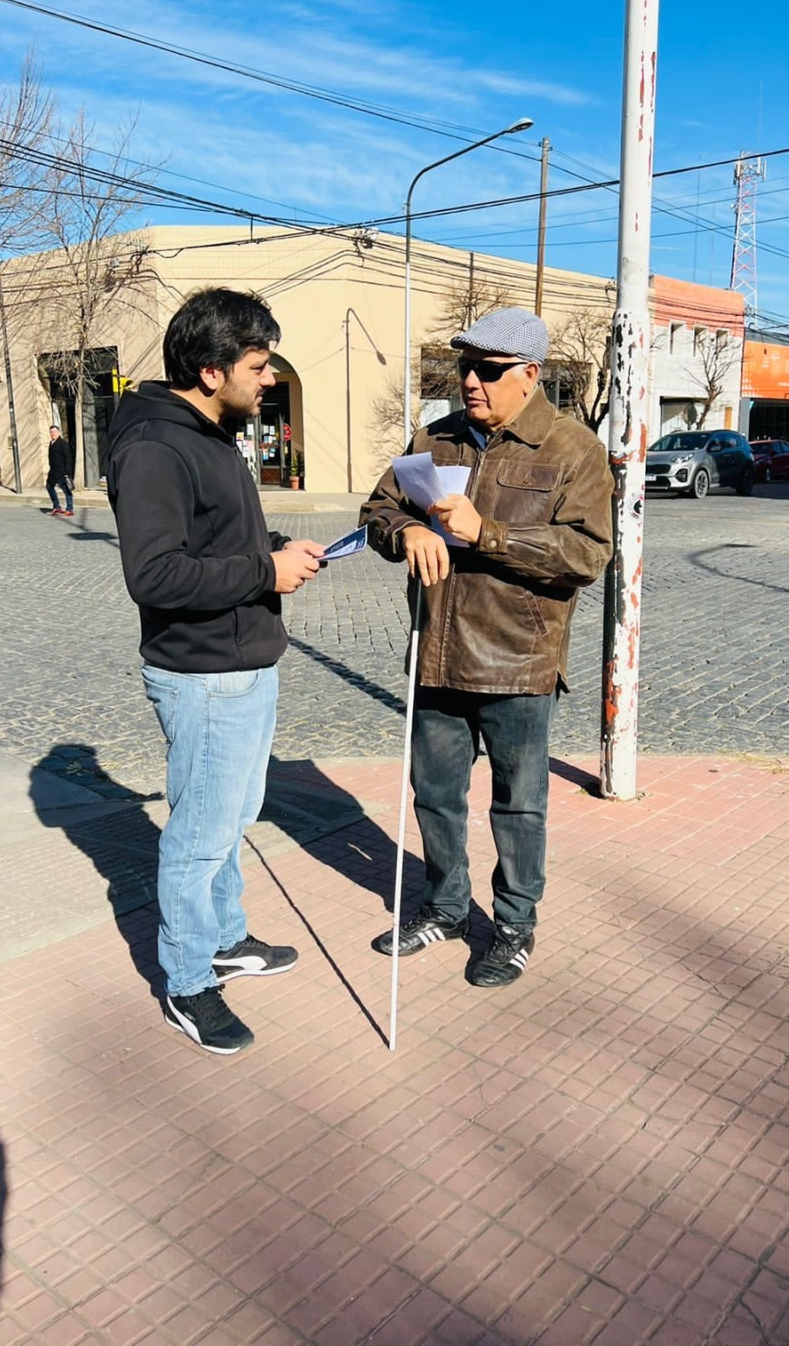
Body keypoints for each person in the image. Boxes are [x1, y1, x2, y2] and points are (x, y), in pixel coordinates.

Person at [360, 307, 614, 987]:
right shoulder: (435, 438)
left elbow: (588, 555)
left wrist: (488, 532)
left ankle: (512, 925)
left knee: (518, 805)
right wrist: (403, 533)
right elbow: (377, 511)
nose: (471, 380)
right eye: (465, 367)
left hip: (518, 660)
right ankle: (445, 906)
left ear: (529, 375)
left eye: (489, 370)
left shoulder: (572, 449)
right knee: (435, 796)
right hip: (436, 652)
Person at [107, 287, 325, 1054]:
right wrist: (263, 572)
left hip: (243, 660)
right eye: (259, 366)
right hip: (202, 674)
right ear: (209, 370)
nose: (269, 378)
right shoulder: (156, 449)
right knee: (199, 836)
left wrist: (278, 551)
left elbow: (215, 542)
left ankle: (225, 937)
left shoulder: (212, 432)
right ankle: (190, 981)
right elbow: (157, 576)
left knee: (229, 820)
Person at [46, 425, 74, 515]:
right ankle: (56, 506)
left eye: (54, 432)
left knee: (66, 490)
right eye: (51, 432)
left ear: (58, 432)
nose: (52, 434)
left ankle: (69, 508)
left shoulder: (63, 444)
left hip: (62, 471)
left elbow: (68, 458)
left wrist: (67, 472)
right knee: (49, 486)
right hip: (53, 471)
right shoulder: (51, 443)